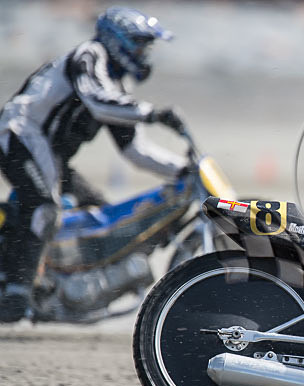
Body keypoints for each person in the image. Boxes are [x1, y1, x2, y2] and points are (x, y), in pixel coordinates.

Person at [0, 7, 188, 322]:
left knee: (99, 211)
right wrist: (153, 113)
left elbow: (135, 150)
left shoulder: (118, 89)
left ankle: (62, 281)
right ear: (118, 40)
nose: (144, 54)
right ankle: (17, 293)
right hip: (18, 136)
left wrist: (184, 170)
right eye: (140, 44)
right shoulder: (89, 56)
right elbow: (96, 99)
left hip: (49, 155)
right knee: (44, 206)